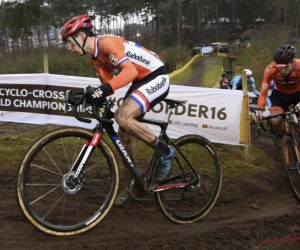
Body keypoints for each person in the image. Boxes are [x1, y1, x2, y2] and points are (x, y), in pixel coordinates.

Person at [61, 14, 175, 205]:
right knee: (125, 133)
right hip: (141, 80)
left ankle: (165, 152)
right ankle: (135, 184)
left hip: (156, 76)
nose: (68, 48)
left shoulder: (106, 44)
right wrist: (85, 96)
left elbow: (129, 73)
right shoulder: (96, 60)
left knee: (122, 116)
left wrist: (101, 91)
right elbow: (107, 87)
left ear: (81, 36)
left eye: (70, 42)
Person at [257, 45, 300, 138]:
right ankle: (284, 140)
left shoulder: (299, 66)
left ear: (292, 62)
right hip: (280, 95)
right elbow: (263, 92)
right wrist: (260, 110)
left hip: (298, 93)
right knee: (275, 120)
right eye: (279, 67)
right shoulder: (270, 70)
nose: (282, 70)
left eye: (285, 67)